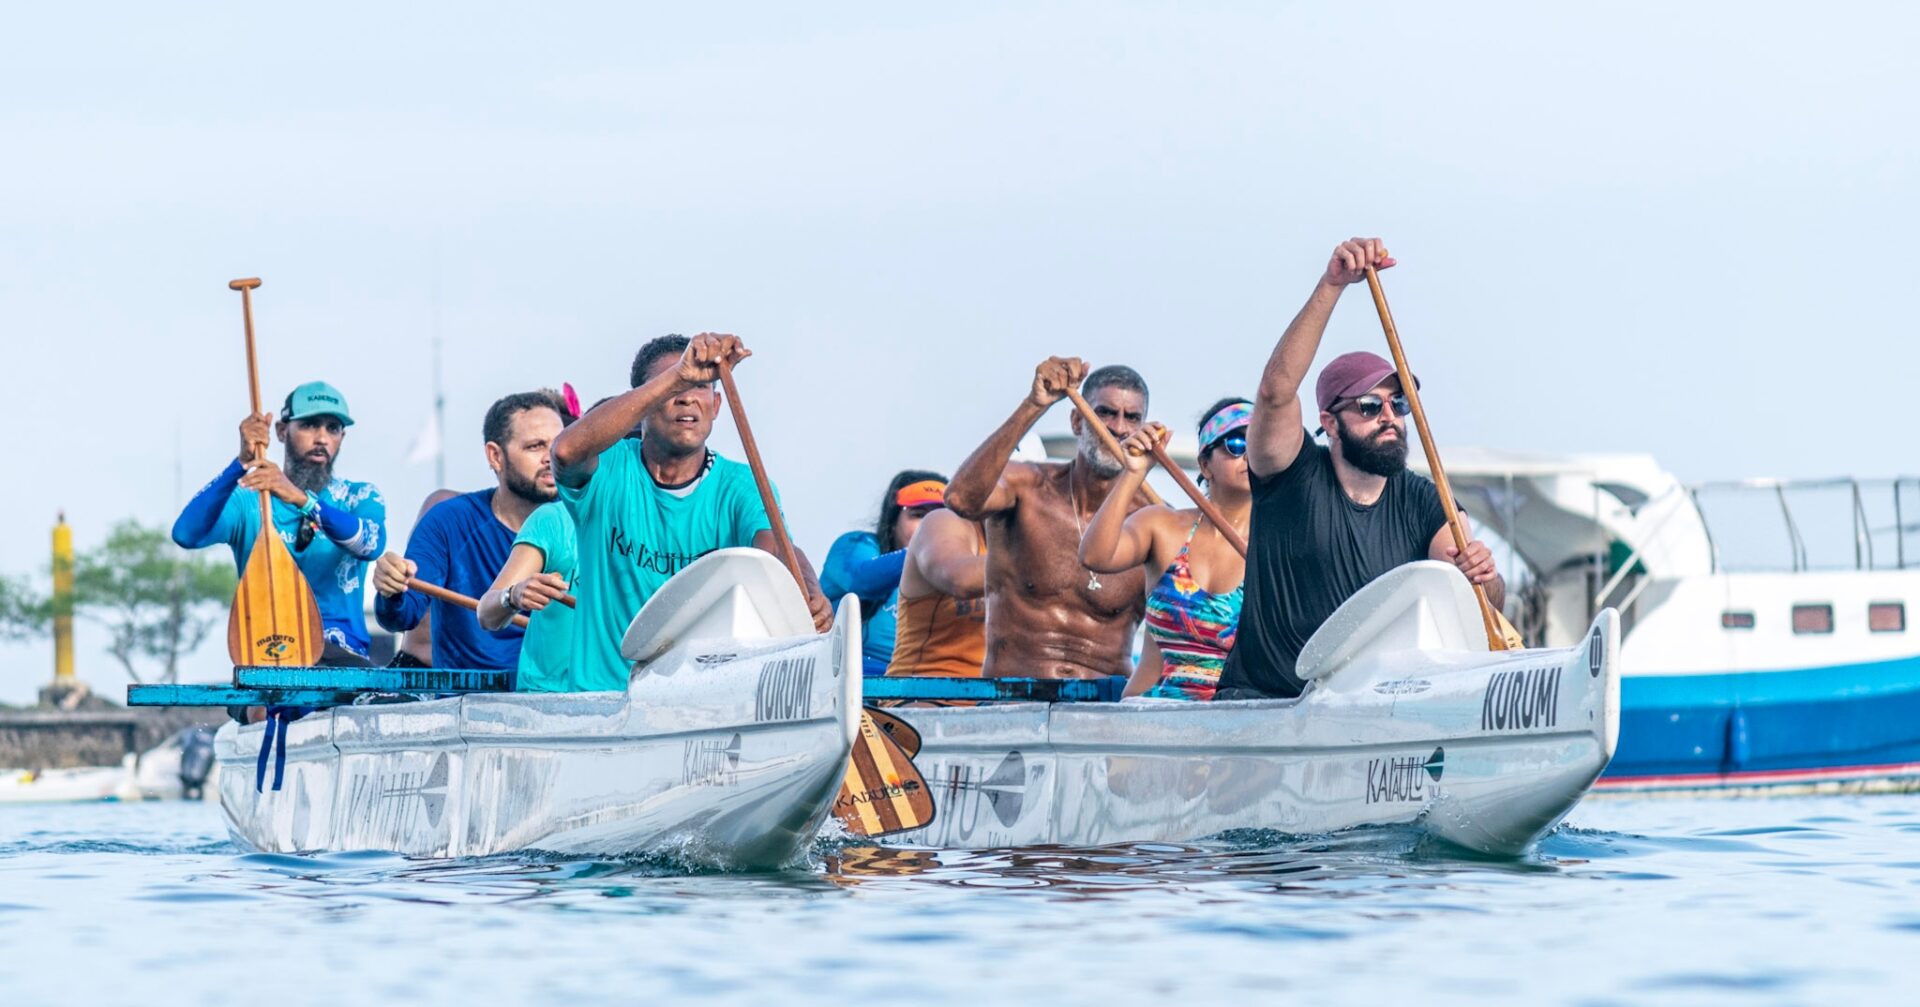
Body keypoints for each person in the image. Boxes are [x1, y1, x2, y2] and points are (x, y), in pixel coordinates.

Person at [1215, 238, 1503, 700]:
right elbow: (1274, 392)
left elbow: (1482, 606)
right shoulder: (1289, 475)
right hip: (1264, 704)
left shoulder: (1427, 500)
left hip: (1363, 713)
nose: (1388, 415)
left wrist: (1484, 577)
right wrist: (1332, 286)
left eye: (1398, 402)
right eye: (1369, 406)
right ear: (1329, 422)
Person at [550, 332, 832, 692]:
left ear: (716, 407)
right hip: (604, 699)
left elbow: (774, 549)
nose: (686, 398)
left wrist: (808, 589)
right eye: (673, 388)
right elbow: (564, 452)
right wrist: (679, 375)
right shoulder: (607, 470)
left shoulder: (741, 484)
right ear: (643, 404)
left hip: (695, 706)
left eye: (700, 387)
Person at [945, 358, 1154, 680]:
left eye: (1132, 418)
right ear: (1076, 421)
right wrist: (1034, 404)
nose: (1118, 428)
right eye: (1105, 413)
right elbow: (960, 499)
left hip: (1104, 712)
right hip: (1013, 703)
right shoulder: (1027, 487)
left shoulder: (1152, 520)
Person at [171, 381, 386, 664]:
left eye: (332, 428)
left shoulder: (359, 495)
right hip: (269, 653)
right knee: (261, 700)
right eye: (309, 425)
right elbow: (186, 534)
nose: (322, 438)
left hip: (342, 658)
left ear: (342, 438)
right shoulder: (250, 500)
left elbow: (370, 545)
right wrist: (240, 464)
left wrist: (301, 500)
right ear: (282, 431)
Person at [372, 391, 568, 673]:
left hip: (558, 701)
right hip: (463, 704)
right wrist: (391, 588)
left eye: (557, 444)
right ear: (495, 456)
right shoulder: (448, 519)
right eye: (535, 446)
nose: (551, 457)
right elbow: (401, 616)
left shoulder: (584, 519)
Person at [1081, 398, 1253, 701]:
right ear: (1204, 465)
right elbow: (1095, 555)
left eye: (1258, 442)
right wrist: (1134, 472)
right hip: (1147, 721)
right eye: (1236, 444)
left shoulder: (1281, 544)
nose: (1249, 454)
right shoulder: (1163, 525)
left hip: (1229, 731)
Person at [821, 471, 948, 675]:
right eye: (918, 515)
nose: (929, 527)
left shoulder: (956, 572)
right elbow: (861, 580)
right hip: (849, 678)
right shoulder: (855, 545)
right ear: (893, 519)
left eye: (940, 518)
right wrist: (921, 551)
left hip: (921, 686)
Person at [477, 498, 578, 692]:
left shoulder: (652, 522)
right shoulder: (554, 519)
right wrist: (513, 596)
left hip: (634, 698)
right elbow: (486, 614)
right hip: (550, 701)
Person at [884, 507, 988, 678]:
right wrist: (1037, 563)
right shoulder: (943, 522)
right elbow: (960, 579)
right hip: (925, 689)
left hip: (1006, 693)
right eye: (916, 513)